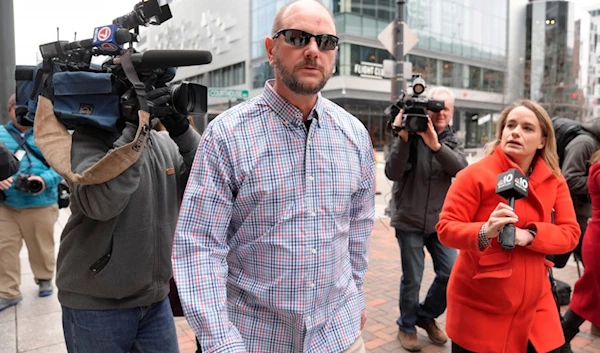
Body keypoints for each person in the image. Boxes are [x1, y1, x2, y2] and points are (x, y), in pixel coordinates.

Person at [172, 1, 375, 352]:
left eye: (326, 42)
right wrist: (220, 341)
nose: (314, 50)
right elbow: (198, 246)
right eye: (298, 37)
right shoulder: (226, 135)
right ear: (270, 49)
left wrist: (354, 297)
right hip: (252, 339)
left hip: (338, 336)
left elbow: (358, 228)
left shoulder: (354, 134)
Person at [54, 86, 200, 352]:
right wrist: (136, 130)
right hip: (96, 304)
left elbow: (209, 179)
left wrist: (182, 131)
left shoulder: (165, 143)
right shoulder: (86, 142)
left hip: (155, 301)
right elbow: (101, 205)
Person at [436, 99, 580, 353]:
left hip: (537, 303)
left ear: (542, 140)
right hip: (480, 307)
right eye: (510, 125)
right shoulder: (475, 175)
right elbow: (446, 229)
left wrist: (530, 235)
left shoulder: (554, 179)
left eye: (527, 128)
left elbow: (570, 234)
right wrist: (484, 231)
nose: (515, 132)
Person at [384, 86, 467, 351]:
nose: (440, 113)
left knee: (451, 272)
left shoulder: (452, 140)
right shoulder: (410, 133)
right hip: (408, 218)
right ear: (427, 108)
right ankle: (406, 325)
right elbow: (392, 172)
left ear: (452, 113)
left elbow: (461, 171)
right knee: (413, 277)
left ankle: (425, 315)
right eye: (436, 107)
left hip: (440, 220)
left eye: (446, 108)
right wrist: (404, 137)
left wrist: (436, 146)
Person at [0, 93, 61, 311]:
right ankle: (8, 292)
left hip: (41, 203)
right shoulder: (0, 134)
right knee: (4, 249)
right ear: (9, 110)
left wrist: (44, 180)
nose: (20, 112)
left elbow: (63, 165)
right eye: (16, 107)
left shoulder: (48, 134)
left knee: (42, 246)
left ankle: (44, 278)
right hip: (7, 206)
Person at [560, 147, 600, 351]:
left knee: (590, 296)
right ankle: (559, 340)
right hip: (598, 242)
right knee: (588, 296)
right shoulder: (598, 169)